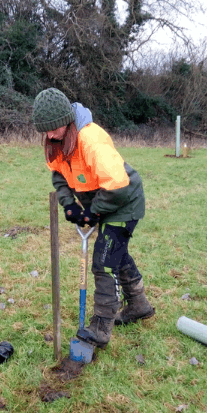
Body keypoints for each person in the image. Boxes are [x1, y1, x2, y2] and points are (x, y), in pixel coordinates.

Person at [32, 87, 155, 349]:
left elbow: (117, 184)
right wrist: (69, 206)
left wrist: (93, 211)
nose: (49, 135)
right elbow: (58, 176)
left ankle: (101, 327)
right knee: (115, 254)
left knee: (103, 262)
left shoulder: (90, 139)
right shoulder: (57, 143)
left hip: (123, 202)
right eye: (45, 130)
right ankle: (139, 305)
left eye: (53, 128)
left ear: (66, 120)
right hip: (104, 201)